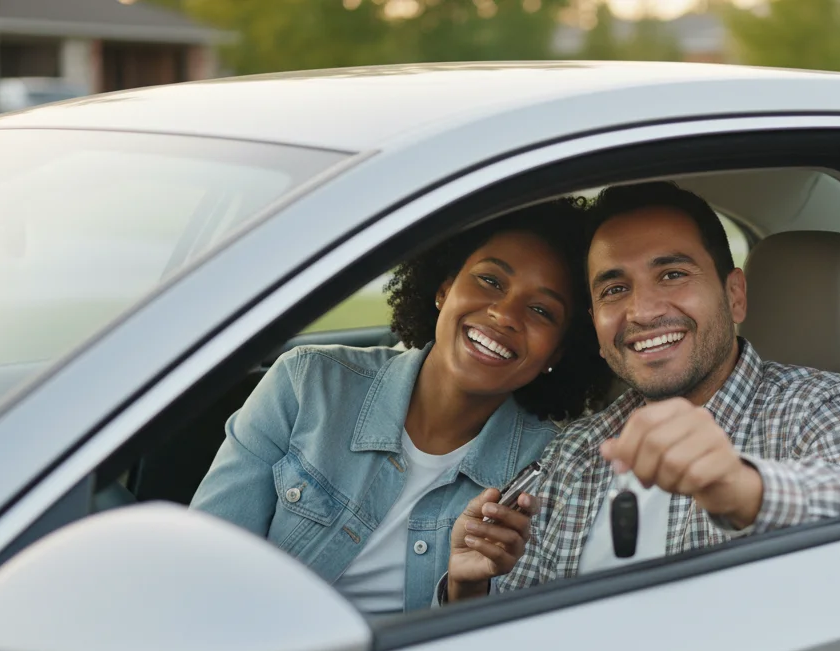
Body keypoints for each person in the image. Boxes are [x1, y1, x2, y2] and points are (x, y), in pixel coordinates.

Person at [440, 182, 840, 603]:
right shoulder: (576, 451)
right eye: (614, 289)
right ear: (596, 328)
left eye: (672, 275)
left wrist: (738, 486)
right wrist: (470, 590)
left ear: (734, 296)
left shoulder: (823, 408)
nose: (642, 311)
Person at [191, 197, 613, 614]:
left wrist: (467, 591)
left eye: (541, 310)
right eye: (490, 281)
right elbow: (203, 566)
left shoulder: (553, 470)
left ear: (558, 353)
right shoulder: (307, 384)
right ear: (444, 289)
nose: (504, 314)